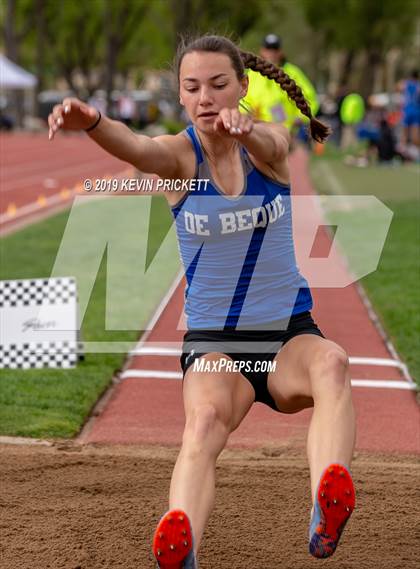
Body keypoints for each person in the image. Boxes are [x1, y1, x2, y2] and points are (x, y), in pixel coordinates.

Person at [48, 34, 356, 568]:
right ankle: (183, 541)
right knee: (206, 420)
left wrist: (249, 133)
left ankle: (326, 505)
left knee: (332, 363)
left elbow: (275, 145)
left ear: (241, 87)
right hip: (216, 345)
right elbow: (136, 147)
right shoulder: (178, 158)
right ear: (182, 97)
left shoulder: (270, 144)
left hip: (286, 337)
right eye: (193, 87)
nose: (206, 96)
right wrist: (95, 122)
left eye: (218, 84)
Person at [241, 34, 319, 139]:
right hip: (258, 131)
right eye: (268, 49)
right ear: (262, 51)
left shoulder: (293, 72)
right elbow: (242, 98)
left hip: (289, 133)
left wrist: (301, 118)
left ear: (280, 52)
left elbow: (311, 98)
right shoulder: (253, 74)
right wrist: (245, 114)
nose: (271, 53)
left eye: (275, 49)